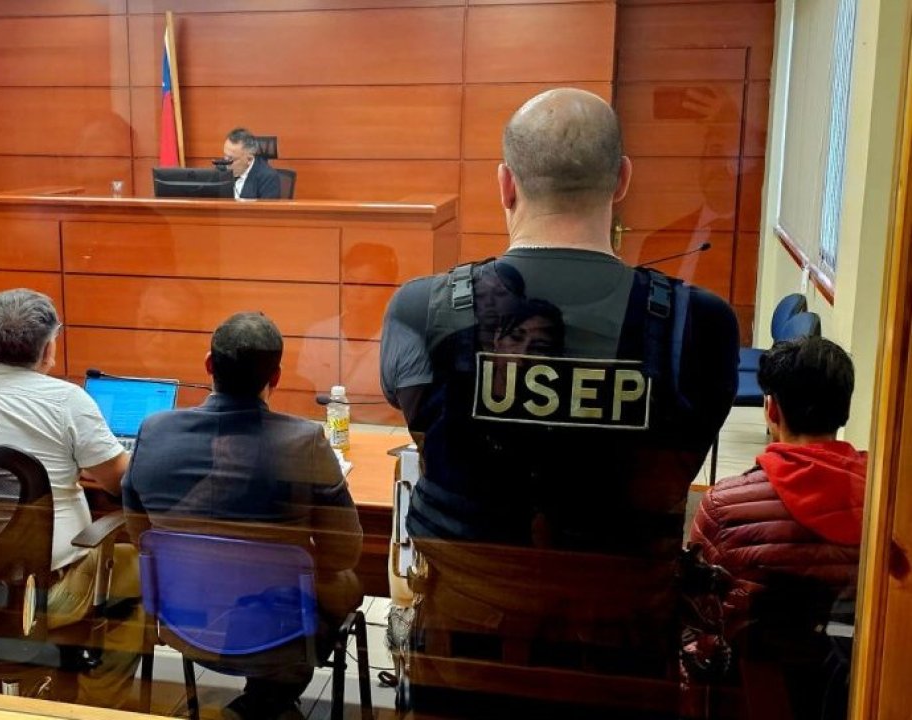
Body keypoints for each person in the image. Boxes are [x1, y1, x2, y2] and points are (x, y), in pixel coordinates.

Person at [379, 88, 740, 718]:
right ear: (622, 180)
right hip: (619, 670)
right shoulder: (701, 324)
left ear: (505, 185)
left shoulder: (420, 309)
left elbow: (424, 423)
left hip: (462, 664)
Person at [123, 311, 363, 720]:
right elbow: (343, 553)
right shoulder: (304, 441)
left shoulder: (153, 430)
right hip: (283, 635)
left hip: (185, 623)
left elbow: (138, 534)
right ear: (276, 376)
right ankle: (261, 704)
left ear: (209, 365)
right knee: (347, 584)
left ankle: (258, 704)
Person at [0, 289, 141, 709]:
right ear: (49, 349)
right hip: (46, 589)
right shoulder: (66, 401)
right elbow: (119, 482)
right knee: (140, 573)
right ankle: (100, 706)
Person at [690, 337, 864, 718]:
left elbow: (699, 623)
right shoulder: (888, 508)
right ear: (845, 411)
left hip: (751, 700)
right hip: (859, 699)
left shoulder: (722, 507)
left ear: (771, 410)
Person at [223, 128, 281, 200]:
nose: (226, 163)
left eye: (231, 159)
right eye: (225, 156)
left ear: (249, 159)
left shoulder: (268, 178)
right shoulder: (220, 172)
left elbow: (266, 207)